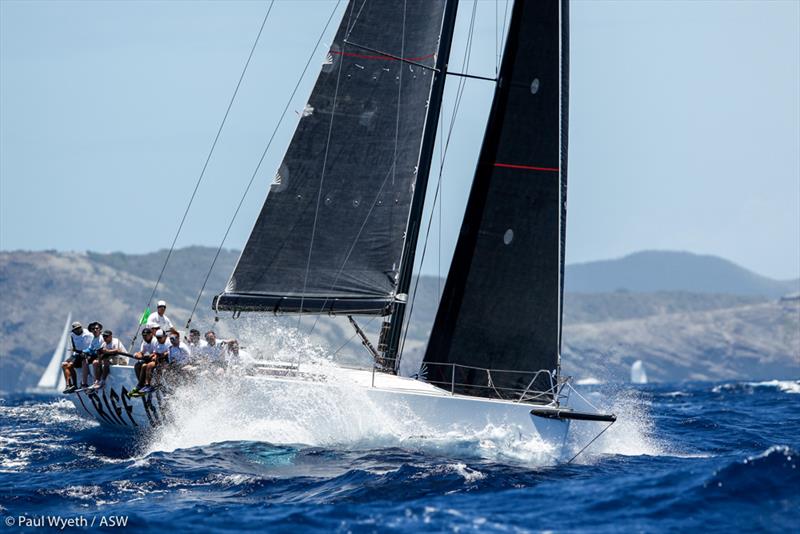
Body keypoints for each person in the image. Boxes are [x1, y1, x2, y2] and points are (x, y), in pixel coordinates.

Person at [61, 321, 93, 393]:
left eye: (79, 328)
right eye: (76, 329)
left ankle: (76, 385)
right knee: (64, 365)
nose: (77, 330)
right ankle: (69, 385)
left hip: (86, 354)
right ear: (73, 330)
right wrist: (75, 351)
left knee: (71, 365)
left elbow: (92, 346)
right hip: (77, 354)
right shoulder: (72, 335)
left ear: (81, 327)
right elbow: (74, 347)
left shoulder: (88, 334)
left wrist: (86, 353)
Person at [127, 327, 157, 397]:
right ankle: (141, 385)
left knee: (144, 366)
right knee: (137, 365)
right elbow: (141, 352)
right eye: (143, 335)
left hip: (157, 358)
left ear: (151, 334)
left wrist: (144, 357)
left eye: (146, 335)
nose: (144, 337)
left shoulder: (155, 341)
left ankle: (146, 385)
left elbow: (155, 354)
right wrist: (137, 355)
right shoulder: (144, 342)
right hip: (149, 358)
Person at [138, 329, 170, 394]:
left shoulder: (168, 342)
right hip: (159, 359)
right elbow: (155, 352)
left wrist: (162, 355)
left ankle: (162, 386)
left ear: (165, 336)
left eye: (160, 337)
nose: (158, 339)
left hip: (168, 360)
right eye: (157, 337)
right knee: (149, 365)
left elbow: (169, 352)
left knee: (160, 368)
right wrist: (155, 356)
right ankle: (147, 385)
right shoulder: (156, 342)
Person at [82, 321, 104, 389]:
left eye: (97, 328)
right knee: (84, 361)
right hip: (97, 356)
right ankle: (84, 383)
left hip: (104, 357)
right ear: (91, 331)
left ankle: (96, 382)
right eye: (93, 329)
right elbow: (90, 349)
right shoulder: (94, 339)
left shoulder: (102, 337)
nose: (95, 330)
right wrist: (83, 352)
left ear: (100, 329)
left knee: (95, 362)